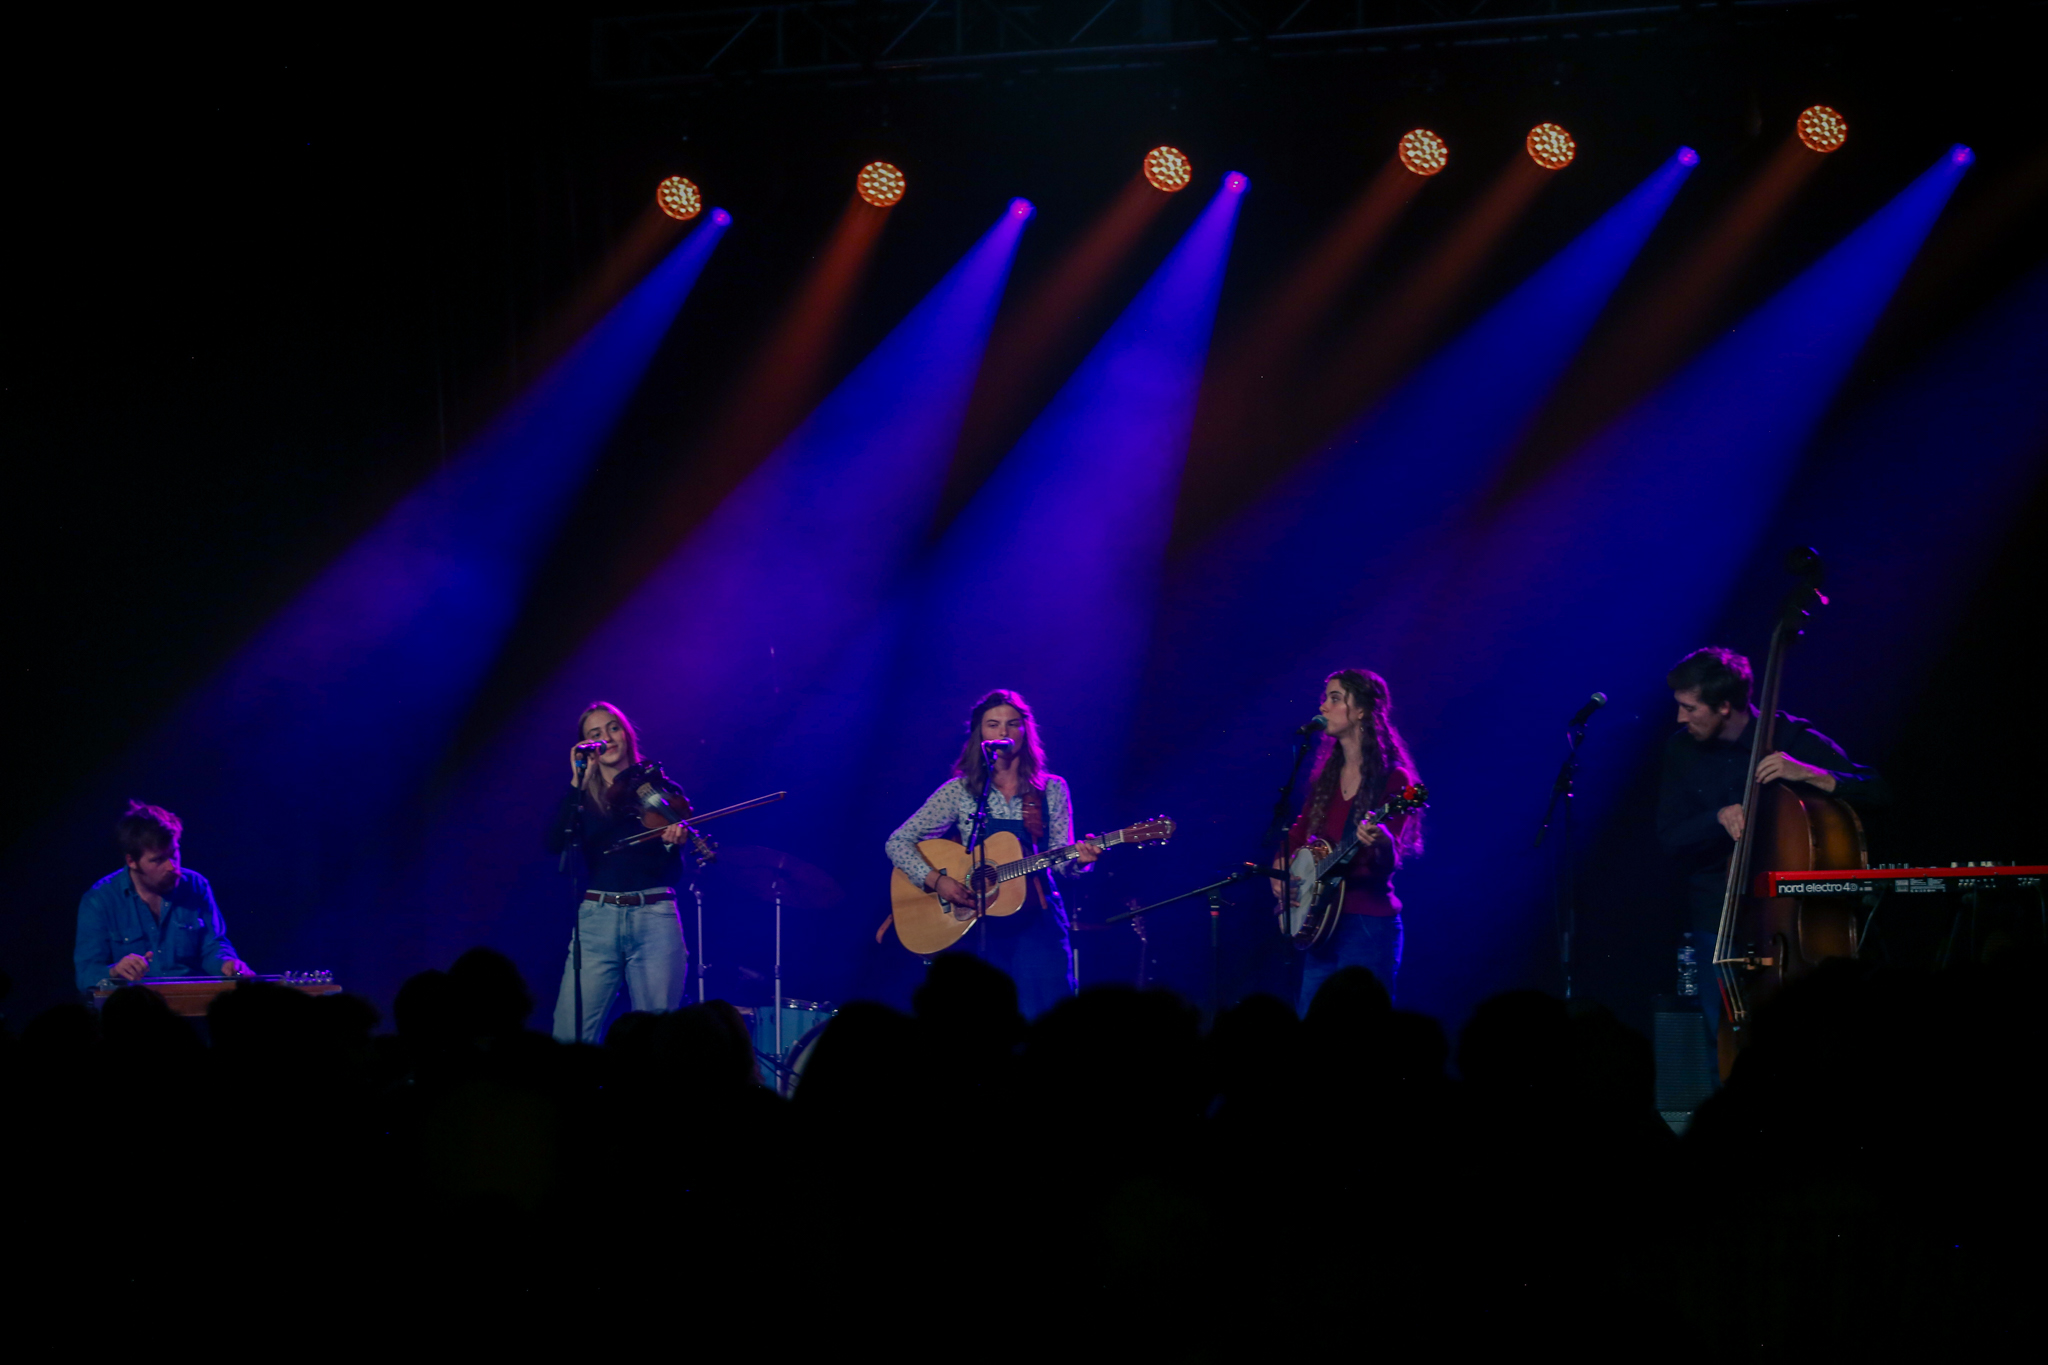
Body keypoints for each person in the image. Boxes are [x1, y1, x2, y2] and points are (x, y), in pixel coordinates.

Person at [1656, 646, 1891, 1042]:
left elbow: (1880, 793)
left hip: (1794, 921)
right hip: (1720, 916)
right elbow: (1669, 838)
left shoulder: (1791, 736)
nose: (1681, 718)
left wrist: (1814, 774)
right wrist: (1715, 819)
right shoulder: (1680, 750)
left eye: (1691, 708)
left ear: (1725, 706)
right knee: (1726, 1040)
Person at [885, 689, 1100, 1020]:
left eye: (1013, 724)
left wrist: (1080, 862)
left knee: (1046, 1017)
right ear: (979, 734)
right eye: (993, 725)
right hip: (975, 925)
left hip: (1036, 921)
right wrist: (937, 881)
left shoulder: (1051, 789)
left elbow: (1062, 863)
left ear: (1025, 732)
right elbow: (898, 842)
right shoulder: (959, 792)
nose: (1003, 733)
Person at [546, 700, 700, 1043]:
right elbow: (555, 842)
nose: (607, 738)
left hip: (654, 916)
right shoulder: (584, 797)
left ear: (626, 734)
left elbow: (672, 873)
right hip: (597, 920)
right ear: (587, 745)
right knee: (569, 1035)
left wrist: (670, 843)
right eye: (595, 734)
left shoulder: (662, 790)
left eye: (612, 728)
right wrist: (576, 781)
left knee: (659, 1038)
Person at [1274, 669, 1423, 1014]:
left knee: (1362, 1033)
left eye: (1335, 698)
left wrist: (1382, 840)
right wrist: (1280, 871)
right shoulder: (1328, 775)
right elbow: (1297, 834)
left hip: (1366, 924)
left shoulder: (1393, 777)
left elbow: (1387, 864)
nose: (1323, 706)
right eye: (1325, 697)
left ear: (1362, 711)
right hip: (1320, 923)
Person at [74, 800, 254, 993]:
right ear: (132, 861)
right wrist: (115, 971)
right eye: (158, 860)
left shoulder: (196, 885)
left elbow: (213, 945)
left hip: (190, 1004)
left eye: (174, 853)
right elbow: (86, 974)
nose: (172, 867)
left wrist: (226, 964)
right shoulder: (100, 900)